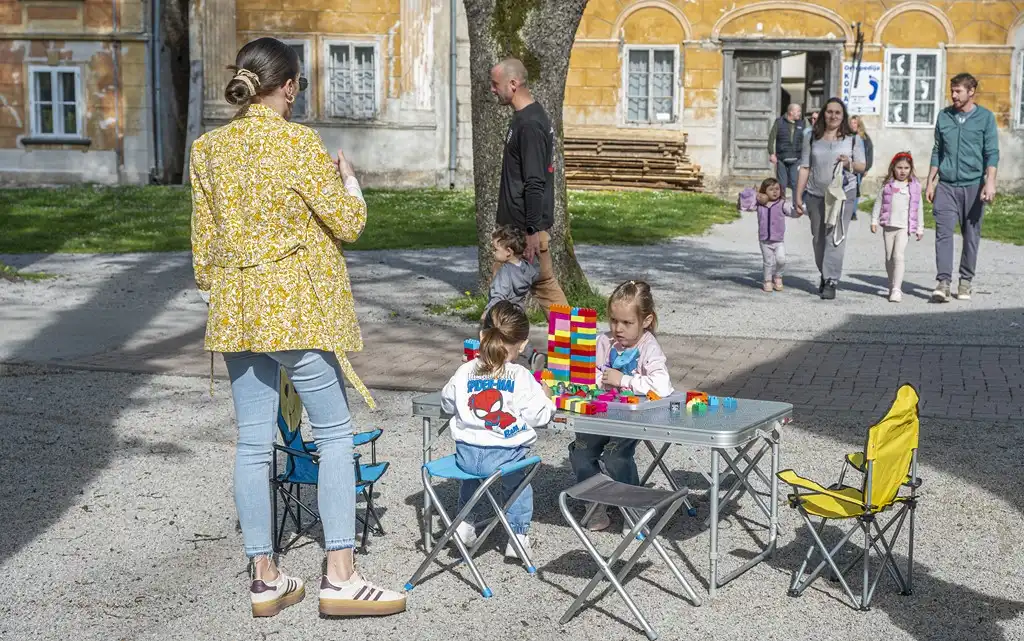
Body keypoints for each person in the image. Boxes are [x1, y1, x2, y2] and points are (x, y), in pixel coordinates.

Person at [190, 37, 406, 618]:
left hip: (236, 311)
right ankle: (340, 574)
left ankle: (264, 578)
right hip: (296, 311)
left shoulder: (207, 150)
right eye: (299, 87)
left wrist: (236, 289)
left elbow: (202, 254)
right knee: (334, 433)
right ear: (287, 86)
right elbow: (350, 222)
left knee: (253, 443)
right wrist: (349, 179)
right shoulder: (298, 145)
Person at [440, 301, 556, 560]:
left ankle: (465, 523)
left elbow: (447, 402)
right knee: (519, 480)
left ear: (482, 336)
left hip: (467, 456)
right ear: (523, 344)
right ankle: (517, 536)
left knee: (472, 478)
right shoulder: (521, 375)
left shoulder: (465, 370)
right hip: (506, 455)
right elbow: (539, 416)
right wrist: (548, 398)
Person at [568, 280, 673, 532]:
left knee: (615, 454)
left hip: (631, 418)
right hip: (600, 413)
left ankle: (633, 507)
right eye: (614, 321)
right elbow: (585, 373)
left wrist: (623, 380)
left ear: (646, 321)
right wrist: (595, 380)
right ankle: (594, 503)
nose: (618, 328)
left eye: (627, 323)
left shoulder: (648, 346)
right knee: (580, 451)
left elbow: (663, 386)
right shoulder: (603, 342)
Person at [490, 58, 568, 313]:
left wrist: (532, 230)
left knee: (504, 297)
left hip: (522, 234)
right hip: (515, 231)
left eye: (495, 84)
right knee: (538, 289)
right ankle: (572, 350)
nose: (492, 89)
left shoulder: (530, 124)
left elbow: (535, 181)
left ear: (513, 84)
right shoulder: (524, 118)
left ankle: (492, 351)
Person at [926, 72, 1000, 303]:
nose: (954, 95)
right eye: (952, 90)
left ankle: (965, 281)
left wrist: (990, 182)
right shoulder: (944, 116)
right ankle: (943, 282)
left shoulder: (986, 118)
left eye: (958, 91)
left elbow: (992, 153)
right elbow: (937, 150)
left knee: (971, 236)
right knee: (943, 233)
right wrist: (930, 180)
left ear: (971, 92)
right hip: (947, 185)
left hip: (973, 184)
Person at [795, 97, 866, 300]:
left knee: (834, 237)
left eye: (837, 112)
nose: (833, 116)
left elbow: (862, 166)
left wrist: (848, 162)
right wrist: (798, 196)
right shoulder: (811, 138)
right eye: (829, 112)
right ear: (823, 114)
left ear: (842, 116)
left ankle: (831, 279)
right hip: (816, 194)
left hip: (843, 194)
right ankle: (825, 273)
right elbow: (805, 167)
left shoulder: (853, 139)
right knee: (818, 239)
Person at [483, 225, 544, 370]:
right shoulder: (526, 268)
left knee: (495, 338)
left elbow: (499, 295)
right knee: (518, 337)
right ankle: (531, 356)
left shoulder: (505, 272)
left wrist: (488, 312)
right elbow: (536, 273)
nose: (493, 252)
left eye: (496, 249)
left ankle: (493, 363)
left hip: (502, 314)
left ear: (509, 252)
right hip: (519, 312)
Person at [870, 152, 925, 303]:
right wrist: (874, 220)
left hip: (904, 228)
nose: (902, 171)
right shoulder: (888, 185)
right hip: (889, 226)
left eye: (906, 168)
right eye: (899, 167)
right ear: (893, 168)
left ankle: (897, 289)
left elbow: (918, 208)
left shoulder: (914, 187)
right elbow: (878, 203)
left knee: (898, 256)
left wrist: (920, 228)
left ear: (911, 169)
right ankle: (891, 284)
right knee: (889, 258)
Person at [755, 177, 800, 293]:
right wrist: (757, 195)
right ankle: (767, 281)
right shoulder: (759, 205)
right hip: (765, 240)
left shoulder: (782, 204)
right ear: (764, 191)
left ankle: (778, 277)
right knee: (768, 262)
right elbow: (744, 203)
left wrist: (798, 211)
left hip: (778, 240)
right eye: (771, 189)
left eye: (777, 189)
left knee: (781, 260)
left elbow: (792, 212)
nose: (775, 192)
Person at [767, 104, 805, 205]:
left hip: (796, 158)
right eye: (798, 111)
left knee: (795, 183)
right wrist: (771, 153)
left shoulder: (802, 123)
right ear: (791, 112)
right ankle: (781, 205)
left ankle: (796, 205)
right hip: (781, 158)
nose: (800, 114)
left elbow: (807, 140)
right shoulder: (779, 122)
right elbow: (771, 138)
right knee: (782, 184)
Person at [849, 115, 874, 221]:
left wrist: (866, 168)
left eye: (855, 123)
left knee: (856, 189)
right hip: (848, 167)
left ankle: (853, 212)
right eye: (851, 123)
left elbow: (869, 153)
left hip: (859, 168)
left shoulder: (864, 138)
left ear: (859, 124)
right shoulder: (846, 136)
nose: (853, 125)